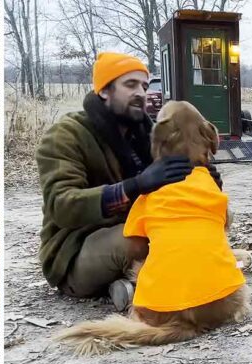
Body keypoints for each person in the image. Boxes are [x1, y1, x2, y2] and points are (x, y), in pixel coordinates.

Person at [35, 52, 221, 311]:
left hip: (137, 226)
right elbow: (61, 205)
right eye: (130, 85)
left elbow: (176, 193)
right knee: (137, 242)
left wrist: (204, 182)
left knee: (211, 218)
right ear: (104, 91)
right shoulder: (65, 135)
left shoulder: (149, 133)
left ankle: (132, 285)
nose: (141, 94)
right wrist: (134, 186)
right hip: (79, 248)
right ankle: (149, 284)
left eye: (144, 86)